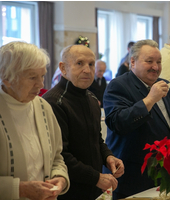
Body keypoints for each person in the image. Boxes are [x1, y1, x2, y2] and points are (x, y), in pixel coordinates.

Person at [43, 45, 124, 200]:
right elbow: (60, 155)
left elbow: (96, 140)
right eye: (79, 63)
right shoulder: (54, 102)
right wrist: (96, 178)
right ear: (63, 68)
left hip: (93, 188)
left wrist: (108, 157)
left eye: (91, 64)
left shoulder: (92, 99)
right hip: (67, 191)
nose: (87, 70)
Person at [103, 39, 170, 199]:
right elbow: (118, 123)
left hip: (163, 173)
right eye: (149, 61)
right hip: (132, 176)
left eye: (159, 62)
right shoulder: (118, 85)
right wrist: (149, 100)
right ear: (133, 62)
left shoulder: (166, 85)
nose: (156, 67)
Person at [0, 41, 70, 200]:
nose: (41, 84)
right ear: (6, 77)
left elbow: (57, 158)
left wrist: (60, 179)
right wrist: (20, 189)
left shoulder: (43, 106)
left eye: (43, 75)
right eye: (32, 77)